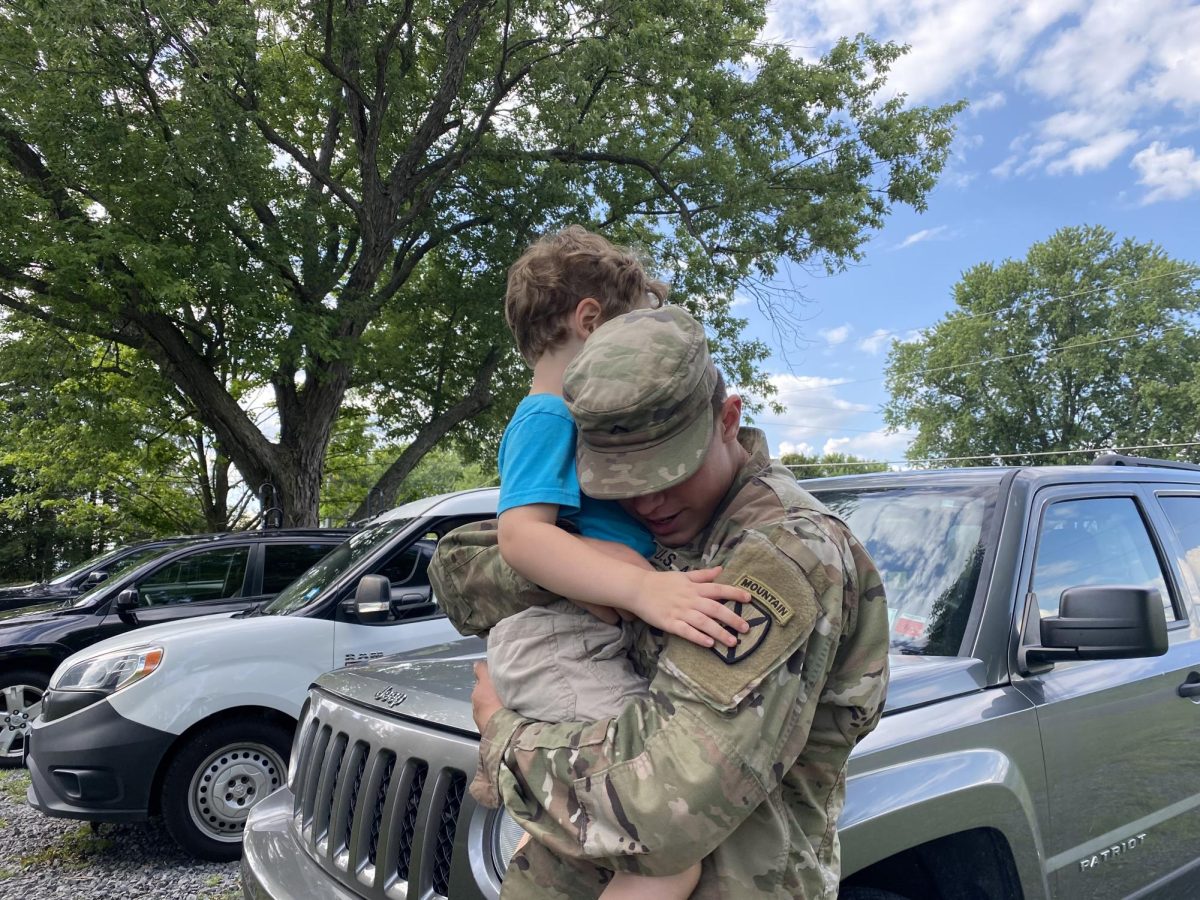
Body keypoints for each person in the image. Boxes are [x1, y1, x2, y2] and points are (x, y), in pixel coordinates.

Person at [432, 304, 891, 899]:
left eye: (668, 471)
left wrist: (502, 736)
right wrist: (594, 572)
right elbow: (455, 575)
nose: (647, 500)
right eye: (619, 480)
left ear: (728, 420)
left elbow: (658, 809)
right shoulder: (659, 525)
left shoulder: (784, 553)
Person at [477, 227, 753, 900]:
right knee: (664, 847)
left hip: (577, 640)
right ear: (590, 320)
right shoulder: (548, 415)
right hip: (563, 643)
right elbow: (521, 537)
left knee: (581, 824)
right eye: (628, 337)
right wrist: (641, 589)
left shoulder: (562, 419)